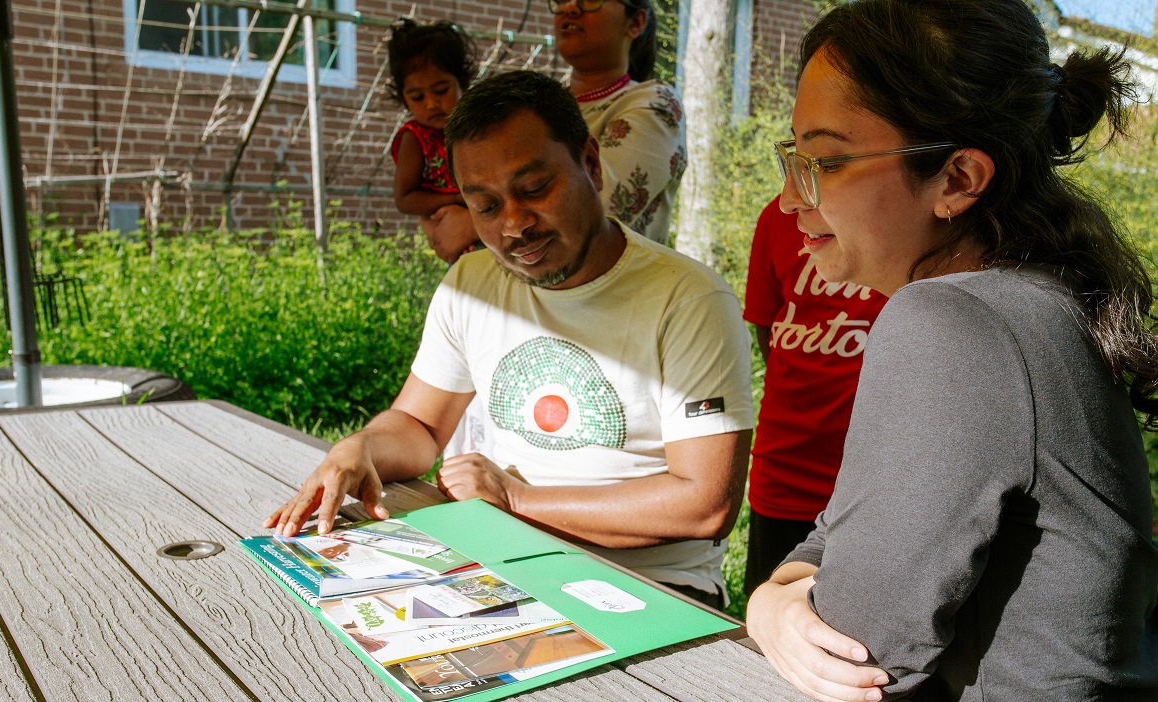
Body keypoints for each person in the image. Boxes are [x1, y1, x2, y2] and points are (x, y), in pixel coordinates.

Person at [745, 0, 1158, 700]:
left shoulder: (951, 321)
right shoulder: (1031, 298)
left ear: (958, 179)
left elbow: (859, 649)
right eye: (793, 156)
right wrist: (770, 602)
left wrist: (769, 604)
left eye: (825, 161)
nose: (789, 199)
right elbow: (840, 534)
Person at [266, 70, 754, 608]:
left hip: (651, 588)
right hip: (500, 558)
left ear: (591, 163)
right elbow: (420, 424)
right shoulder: (472, 284)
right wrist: (359, 448)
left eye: (534, 189)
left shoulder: (688, 300)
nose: (515, 224)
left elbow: (704, 504)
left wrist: (515, 499)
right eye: (487, 206)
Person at [741, 196, 886, 598]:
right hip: (784, 466)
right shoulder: (779, 216)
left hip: (874, 480)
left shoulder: (894, 220)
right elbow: (766, 327)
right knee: (768, 614)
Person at [550, 0, 686, 245]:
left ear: (635, 23)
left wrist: (466, 223)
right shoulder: (538, 107)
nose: (570, 8)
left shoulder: (654, 104)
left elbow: (596, 215)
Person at [387, 19, 479, 263]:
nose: (431, 104)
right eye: (417, 96)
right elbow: (404, 199)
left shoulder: (478, 125)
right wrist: (454, 200)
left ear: (463, 83)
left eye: (441, 91)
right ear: (403, 98)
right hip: (448, 228)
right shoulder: (414, 138)